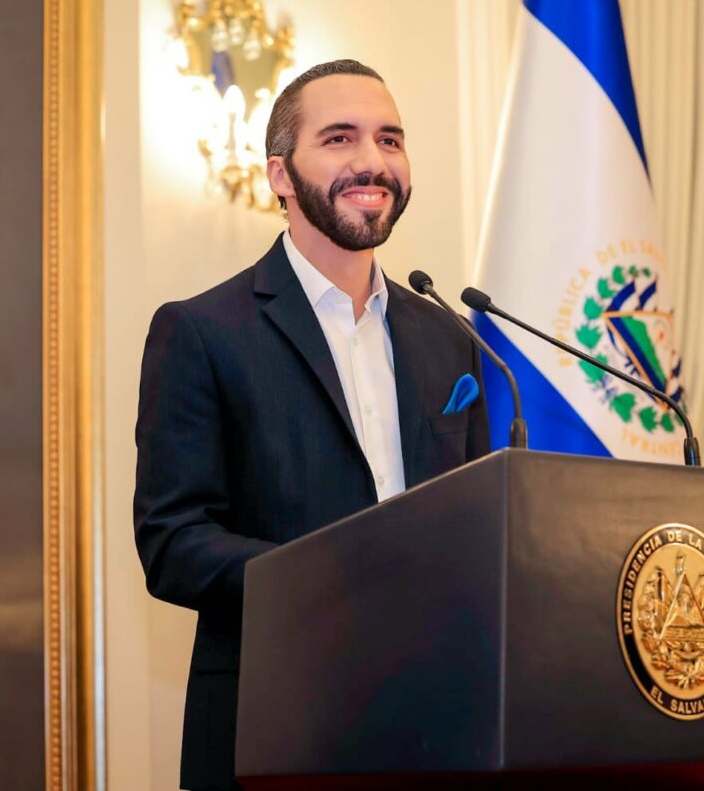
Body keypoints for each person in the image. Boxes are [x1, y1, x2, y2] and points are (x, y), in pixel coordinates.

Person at [134, 59, 491, 791]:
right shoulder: (203, 332)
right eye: (339, 138)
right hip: (276, 729)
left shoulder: (451, 339)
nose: (372, 161)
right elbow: (174, 542)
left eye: (390, 140)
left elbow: (475, 521)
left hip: (440, 729)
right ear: (281, 176)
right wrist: (340, 578)